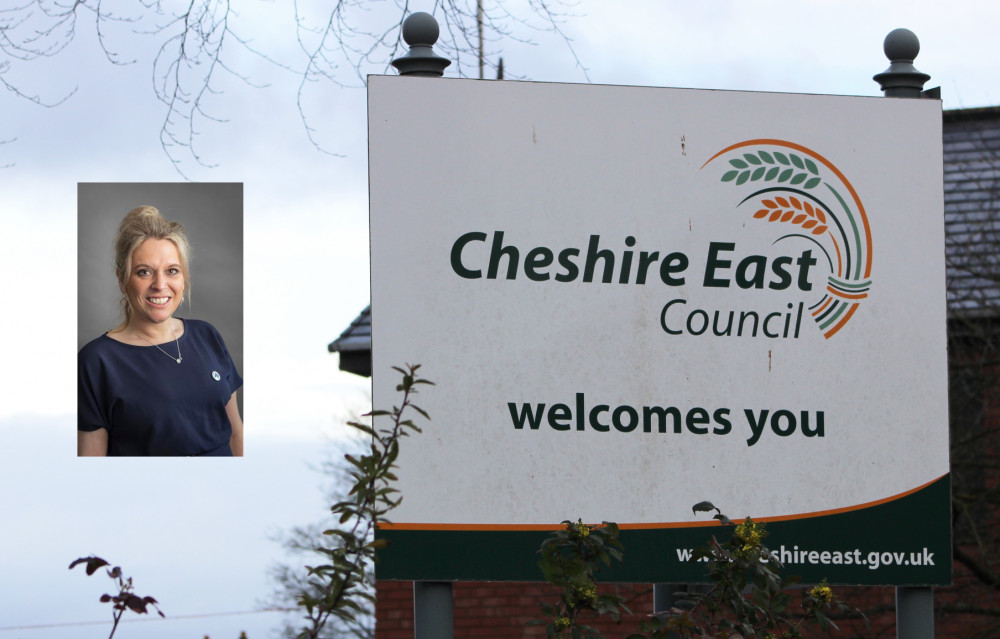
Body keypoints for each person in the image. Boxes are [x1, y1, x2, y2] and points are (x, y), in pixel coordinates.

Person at [78, 206, 243, 456]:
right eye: (144, 272)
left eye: (172, 271)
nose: (160, 285)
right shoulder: (97, 361)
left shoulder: (207, 336)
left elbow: (236, 434)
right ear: (122, 280)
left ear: (184, 279)